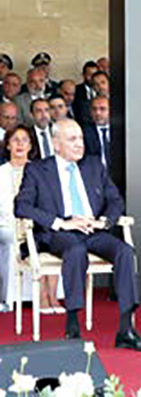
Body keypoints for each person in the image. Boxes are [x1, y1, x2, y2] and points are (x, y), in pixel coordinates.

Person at [15, 120, 141, 350]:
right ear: (56, 144)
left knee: (125, 252)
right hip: (59, 233)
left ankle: (126, 329)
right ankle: (72, 326)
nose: (79, 144)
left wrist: (103, 221)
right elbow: (22, 206)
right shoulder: (38, 170)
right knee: (76, 250)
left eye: (80, 138)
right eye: (72, 139)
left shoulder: (93, 165)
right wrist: (62, 223)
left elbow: (115, 200)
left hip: (92, 230)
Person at [1, 127, 45, 313]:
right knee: (9, 237)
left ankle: (45, 297)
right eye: (15, 140)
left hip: (36, 225)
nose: (19, 144)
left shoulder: (41, 172)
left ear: (31, 145)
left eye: (24, 140)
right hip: (5, 224)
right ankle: (8, 298)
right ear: (7, 145)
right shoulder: (1, 172)